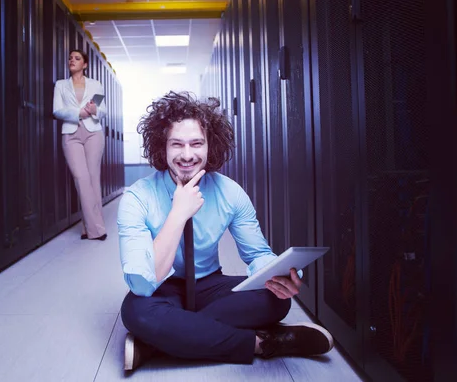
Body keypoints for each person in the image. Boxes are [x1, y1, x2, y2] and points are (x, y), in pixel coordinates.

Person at [117, 91, 333, 371]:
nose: (187, 155)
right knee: (136, 312)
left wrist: (280, 274)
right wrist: (178, 214)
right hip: (162, 288)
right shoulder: (137, 198)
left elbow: (257, 254)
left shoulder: (230, 192)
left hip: (209, 285)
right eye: (176, 145)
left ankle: (160, 341)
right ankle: (264, 342)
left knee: (275, 301)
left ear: (211, 145)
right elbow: (144, 283)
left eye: (196, 143)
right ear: (162, 147)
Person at [53, 49, 107, 240]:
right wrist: (79, 113)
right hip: (71, 133)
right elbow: (57, 110)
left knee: (93, 178)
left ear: (85, 64)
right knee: (81, 178)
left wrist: (94, 110)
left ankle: (90, 228)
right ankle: (97, 229)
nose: (72, 61)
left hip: (93, 133)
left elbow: (103, 108)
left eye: (77, 58)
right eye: (70, 58)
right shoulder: (60, 85)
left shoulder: (96, 84)